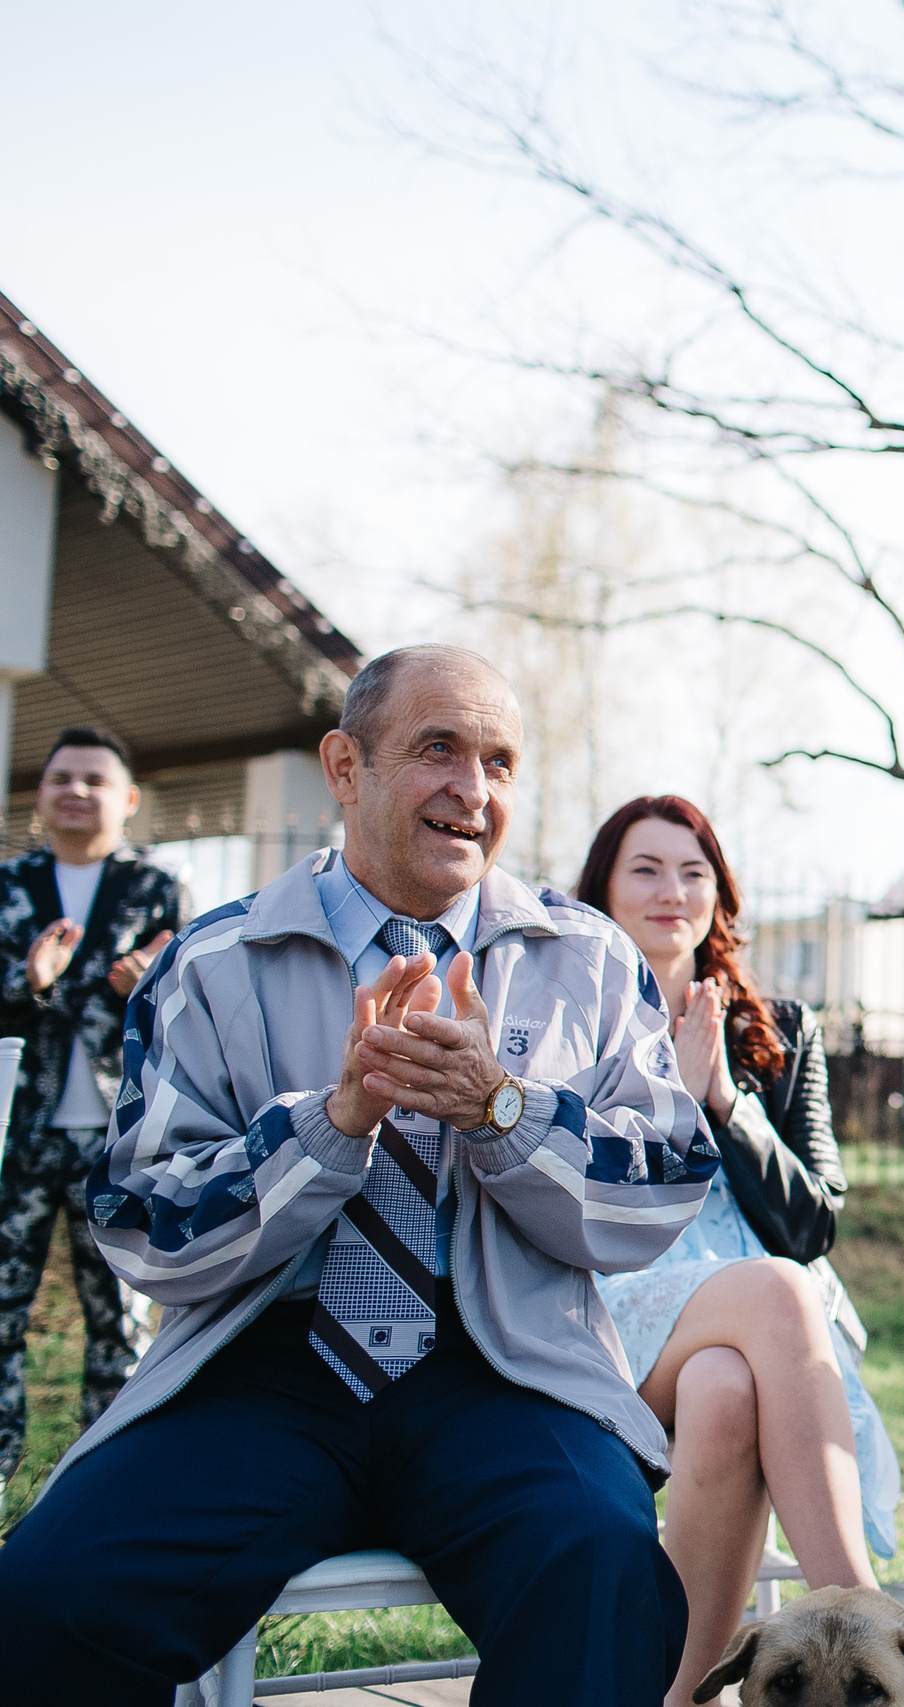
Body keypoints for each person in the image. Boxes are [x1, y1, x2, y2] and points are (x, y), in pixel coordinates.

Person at [0, 645, 719, 1707]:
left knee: (602, 1575)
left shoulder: (590, 960)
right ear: (345, 766)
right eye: (439, 749)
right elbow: (142, 1224)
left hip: (506, 1373)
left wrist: (501, 1110)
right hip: (261, 1370)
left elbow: (659, 1190)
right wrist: (330, 1129)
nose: (472, 791)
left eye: (500, 762)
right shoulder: (213, 962)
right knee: (46, 1597)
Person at [577, 794, 901, 1707]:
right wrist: (670, 1114)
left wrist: (726, 1101)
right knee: (781, 1294)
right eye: (645, 868)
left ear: (720, 895)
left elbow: (815, 1222)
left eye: (694, 871)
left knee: (725, 1388)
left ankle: (674, 1696)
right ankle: (873, 1622)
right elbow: (575, 1207)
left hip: (747, 1341)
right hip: (614, 1309)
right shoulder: (572, 1017)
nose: (671, 889)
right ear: (603, 886)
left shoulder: (778, 1029)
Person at [0, 726, 186, 1486]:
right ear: (40, 796)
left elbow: (190, 1005)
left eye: (95, 780)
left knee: (118, 1318)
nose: (77, 791)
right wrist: (30, 981)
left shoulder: (157, 890)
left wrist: (147, 978)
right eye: (62, 779)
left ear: (128, 800)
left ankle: (108, 1482)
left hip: (120, 1137)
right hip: (18, 1133)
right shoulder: (8, 887)